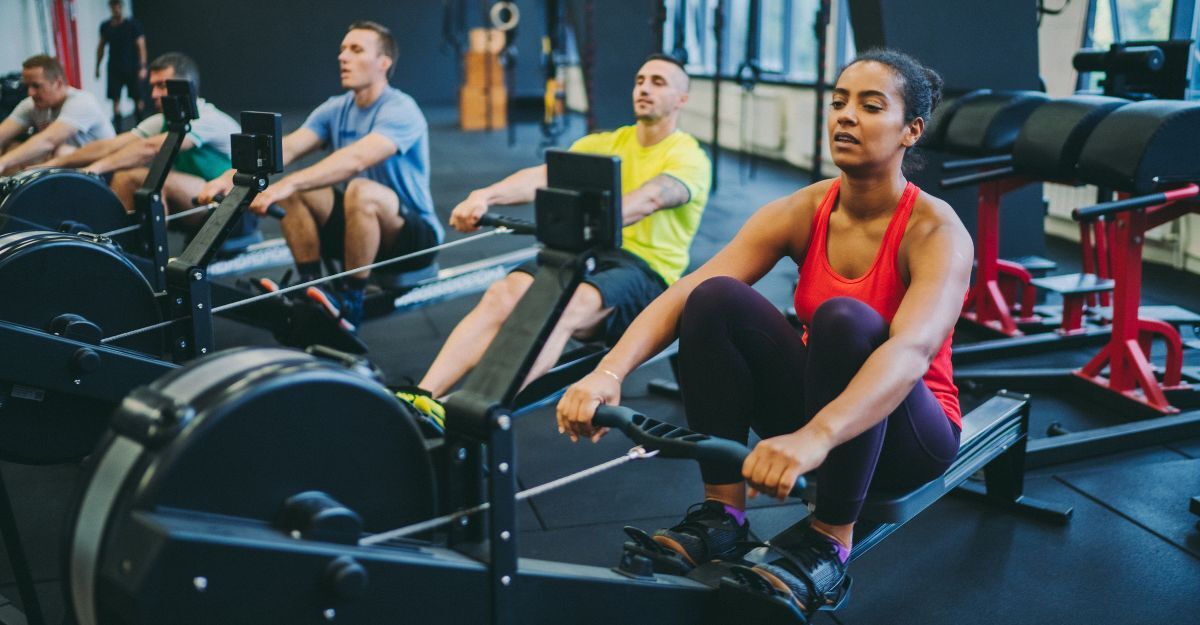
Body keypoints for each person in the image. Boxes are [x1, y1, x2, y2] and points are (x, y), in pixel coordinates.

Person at [556, 49, 971, 617]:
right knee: (715, 297)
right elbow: (685, 291)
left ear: (910, 131)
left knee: (846, 319)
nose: (846, 116)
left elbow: (910, 351)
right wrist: (608, 372)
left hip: (907, 437)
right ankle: (723, 515)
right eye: (839, 102)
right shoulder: (806, 208)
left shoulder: (935, 230)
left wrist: (818, 436)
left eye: (871, 107)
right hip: (819, 420)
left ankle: (830, 539)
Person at [415, 53, 711, 400]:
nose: (644, 88)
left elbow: (650, 199)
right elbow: (542, 176)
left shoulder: (688, 157)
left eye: (658, 83)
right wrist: (486, 196)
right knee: (503, 294)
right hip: (590, 252)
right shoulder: (606, 143)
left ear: (682, 99)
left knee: (572, 302)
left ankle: (477, 409)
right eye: (640, 80)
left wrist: (587, 220)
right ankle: (423, 398)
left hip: (646, 271)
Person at [198, 20, 441, 331]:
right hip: (360, 229)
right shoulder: (335, 109)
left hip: (412, 239)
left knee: (357, 189)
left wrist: (286, 184)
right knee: (298, 193)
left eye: (356, 50)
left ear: (384, 63)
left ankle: (352, 299)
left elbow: (355, 159)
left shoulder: (400, 109)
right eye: (342, 50)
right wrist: (227, 179)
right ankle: (310, 286)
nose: (343, 57)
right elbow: (285, 148)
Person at [43, 52, 238, 224]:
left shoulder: (208, 119)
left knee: (131, 177)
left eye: (162, 86)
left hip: (226, 202)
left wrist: (93, 169)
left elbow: (150, 148)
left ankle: (127, 251)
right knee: (137, 178)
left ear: (187, 87)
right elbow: (110, 146)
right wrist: (55, 163)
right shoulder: (163, 120)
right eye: (152, 86)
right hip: (194, 195)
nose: (154, 94)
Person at [0, 55, 115, 176]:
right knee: (12, 148)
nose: (30, 93)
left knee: (61, 152)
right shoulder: (31, 104)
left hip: (103, 170)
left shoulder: (82, 102)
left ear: (58, 83)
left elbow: (48, 141)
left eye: (36, 86)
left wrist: (3, 162)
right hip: (67, 166)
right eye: (27, 86)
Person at [96, 0, 148, 129]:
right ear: (111, 8)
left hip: (132, 66)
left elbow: (141, 46)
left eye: (119, 6)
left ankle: (141, 127)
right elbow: (101, 47)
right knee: (115, 99)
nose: (116, 9)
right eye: (114, 7)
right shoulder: (106, 26)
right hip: (114, 67)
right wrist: (97, 66)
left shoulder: (133, 24)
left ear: (122, 7)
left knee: (137, 98)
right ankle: (118, 130)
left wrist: (142, 67)